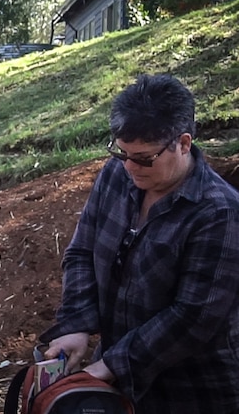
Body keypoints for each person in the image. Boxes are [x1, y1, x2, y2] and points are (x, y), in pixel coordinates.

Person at [40, 73, 239, 413]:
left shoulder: (220, 212)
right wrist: (77, 325)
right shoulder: (115, 174)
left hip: (195, 390)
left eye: (144, 158)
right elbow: (82, 252)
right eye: (122, 152)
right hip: (119, 379)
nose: (131, 166)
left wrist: (114, 365)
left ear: (184, 143)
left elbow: (193, 317)